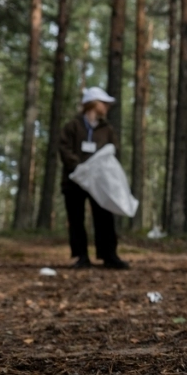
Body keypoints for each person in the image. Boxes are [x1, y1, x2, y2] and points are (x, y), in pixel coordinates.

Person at [59, 87, 129, 269]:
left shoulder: (107, 129)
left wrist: (99, 169)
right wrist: (78, 167)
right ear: (92, 103)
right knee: (76, 219)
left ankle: (109, 255)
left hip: (99, 182)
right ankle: (81, 256)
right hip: (74, 180)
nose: (106, 106)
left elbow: (113, 151)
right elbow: (64, 149)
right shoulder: (72, 126)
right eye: (103, 103)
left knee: (104, 216)